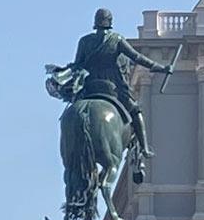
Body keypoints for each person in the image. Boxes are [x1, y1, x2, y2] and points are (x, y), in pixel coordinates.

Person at [50, 8, 171, 158]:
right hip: (112, 88)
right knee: (135, 111)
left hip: (88, 88)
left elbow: (77, 65)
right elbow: (138, 58)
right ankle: (144, 148)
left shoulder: (84, 41)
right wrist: (161, 68)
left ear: (96, 22)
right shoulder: (117, 39)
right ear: (110, 22)